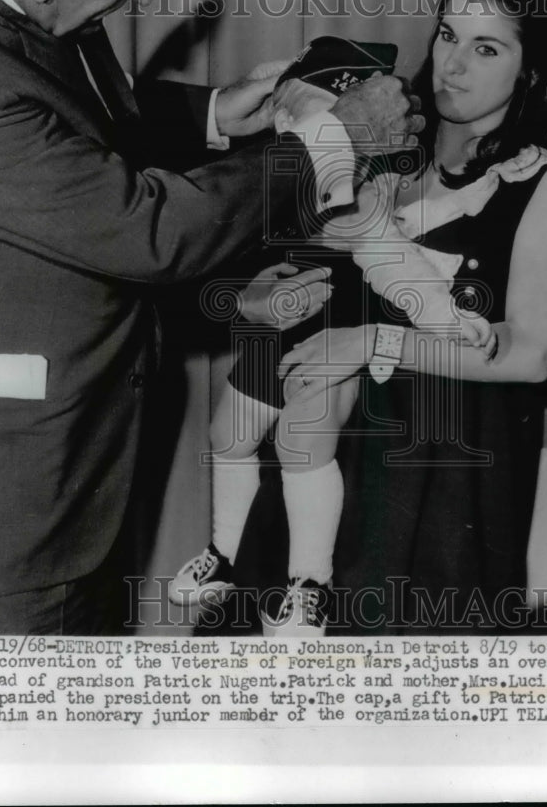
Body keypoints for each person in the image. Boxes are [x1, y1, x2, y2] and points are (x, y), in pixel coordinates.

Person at [0, 0, 423, 635]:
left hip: (73, 456)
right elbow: (149, 231)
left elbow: (53, 114)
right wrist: (330, 141)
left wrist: (205, 112)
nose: (135, 4)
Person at [193, 0, 547, 635]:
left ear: (530, 68)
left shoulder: (541, 186)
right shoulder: (383, 137)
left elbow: (530, 355)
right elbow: (289, 242)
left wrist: (371, 340)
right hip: (323, 447)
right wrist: (261, 290)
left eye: (486, 49)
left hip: (434, 475)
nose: (451, 65)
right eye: (446, 35)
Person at [168, 40, 498, 636]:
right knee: (229, 434)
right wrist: (244, 292)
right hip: (278, 317)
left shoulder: (370, 195)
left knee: (302, 438)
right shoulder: (271, 177)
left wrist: (449, 319)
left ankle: (306, 584)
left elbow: (394, 263)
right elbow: (224, 246)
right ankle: (223, 555)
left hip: (338, 322)